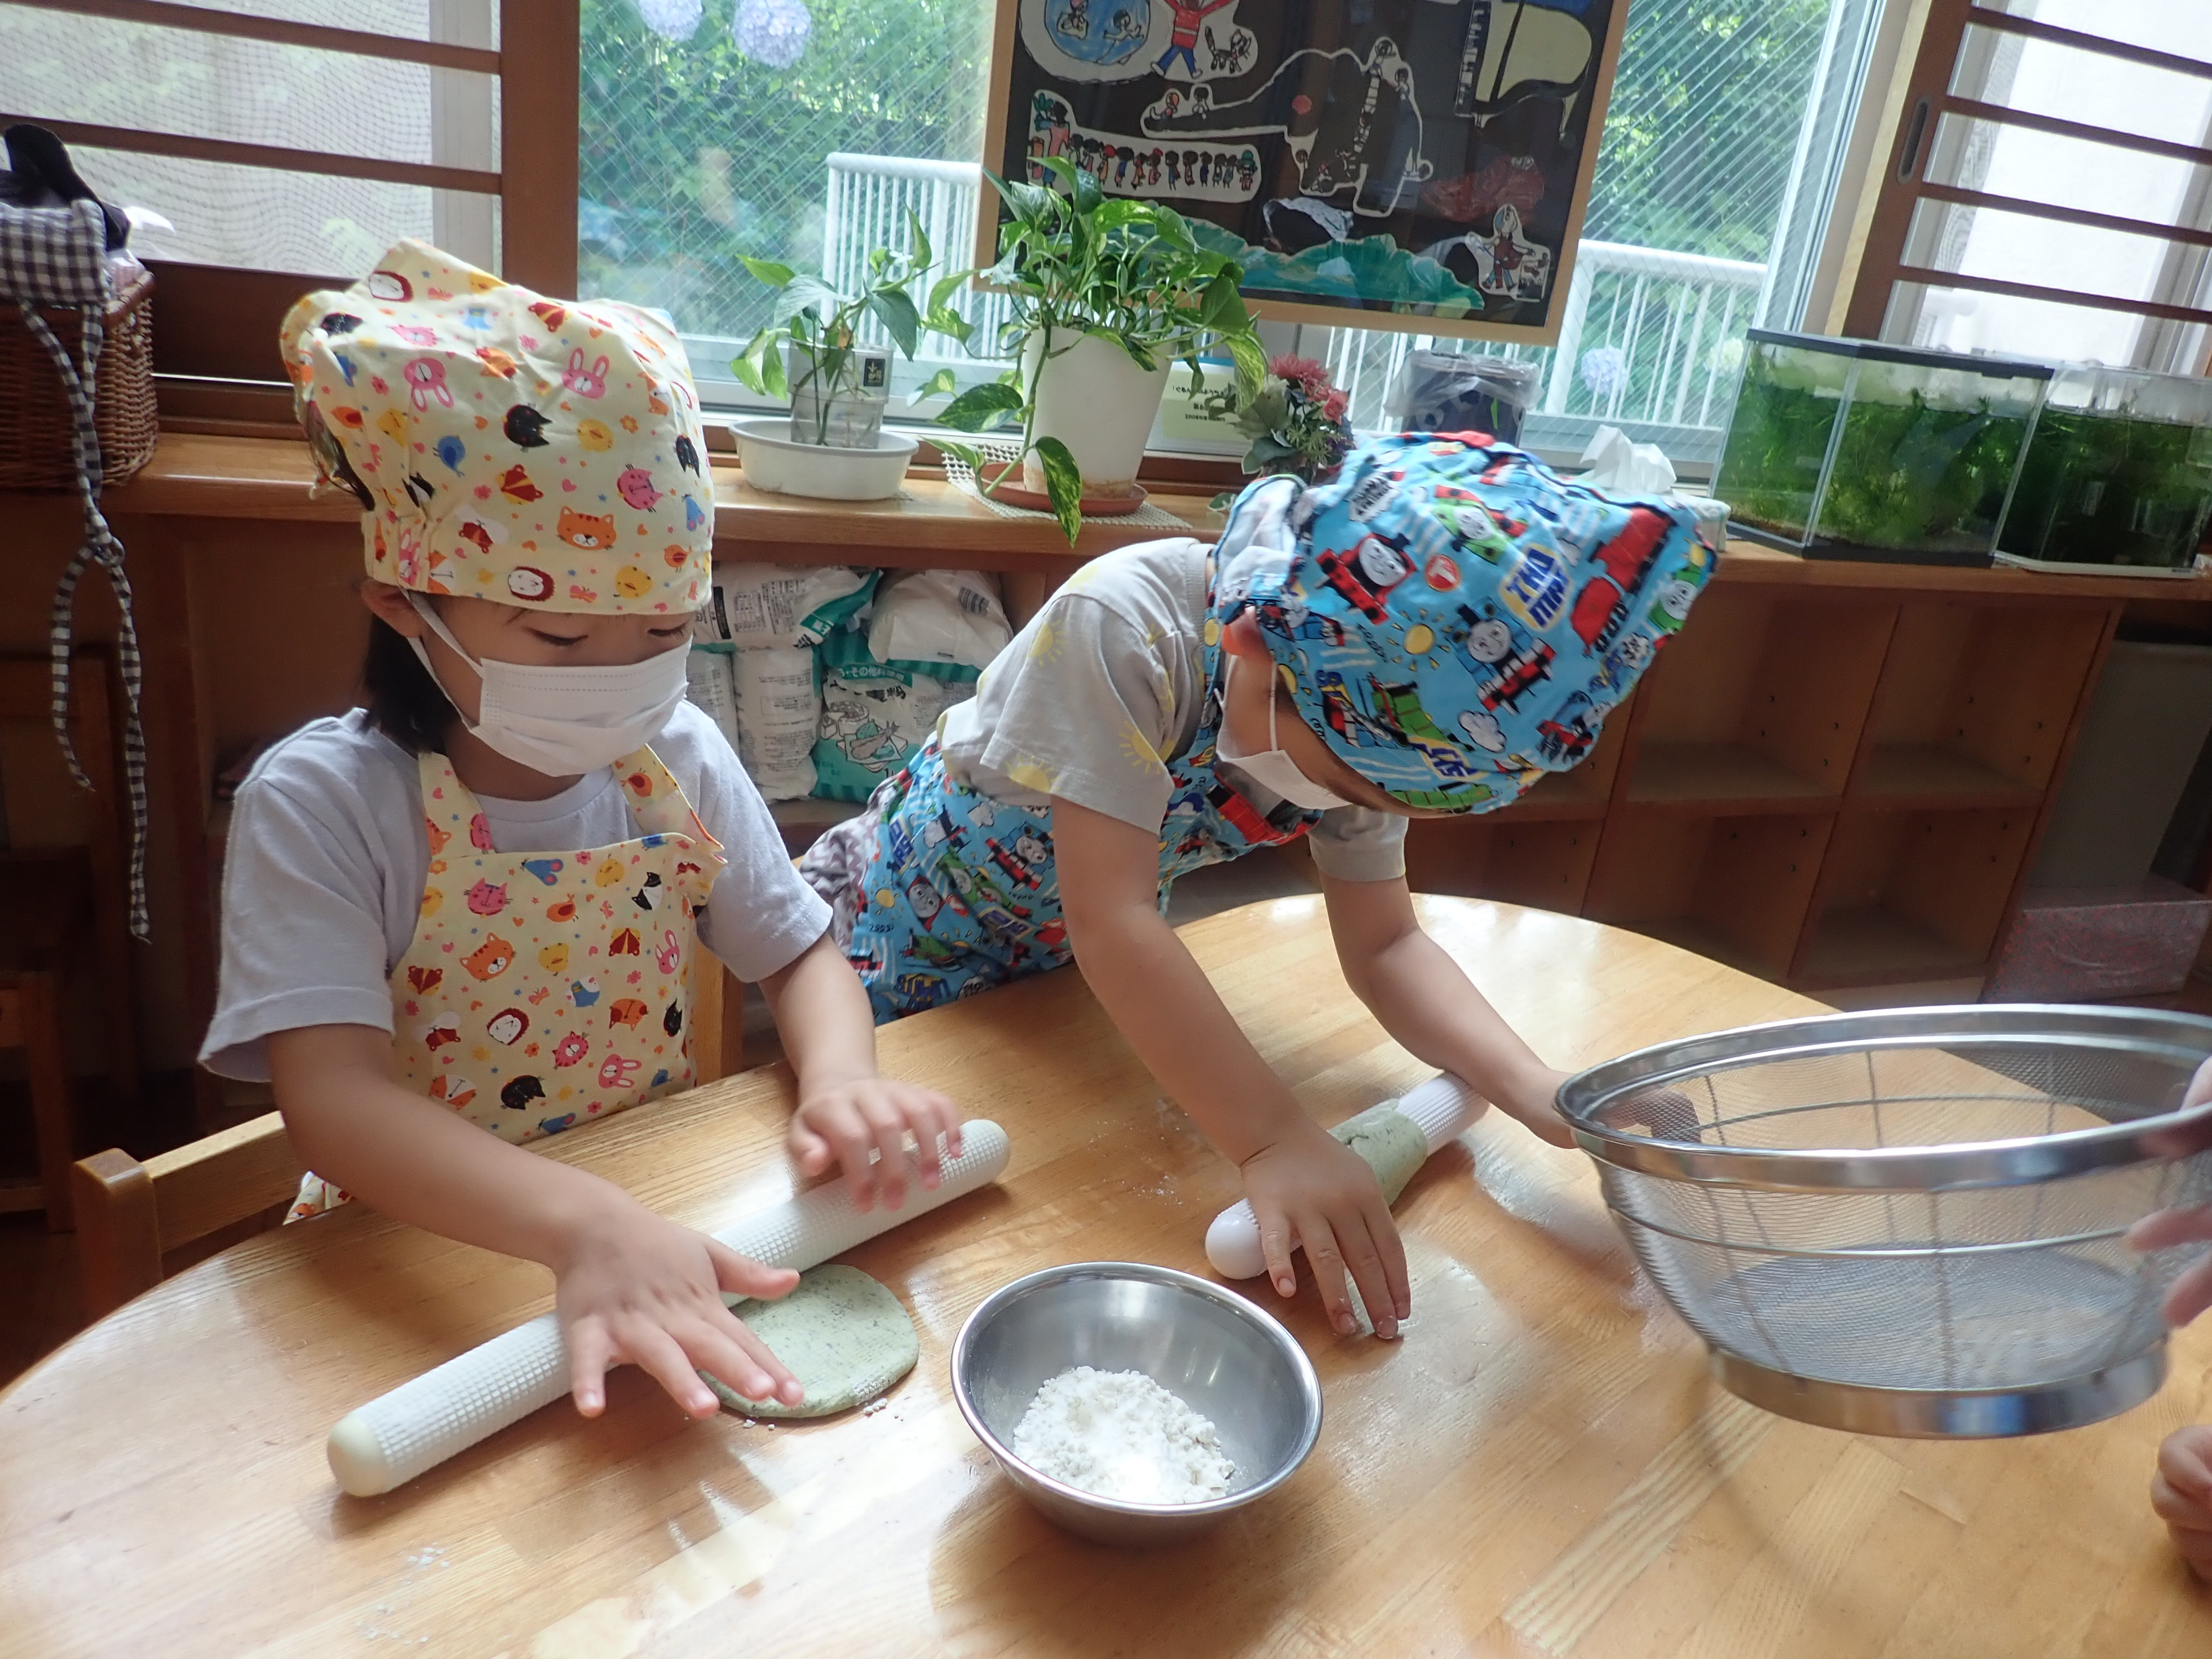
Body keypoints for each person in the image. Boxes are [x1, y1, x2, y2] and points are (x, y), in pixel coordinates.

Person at [201, 241, 959, 1424]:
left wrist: (840, 1080)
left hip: (648, 1212)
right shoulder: (324, 805)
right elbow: (335, 1104)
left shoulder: (680, 759)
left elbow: (800, 953)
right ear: (404, 605)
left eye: (661, 633)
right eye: (560, 640)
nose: (619, 675)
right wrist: (580, 1226)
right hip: (427, 1257)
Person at [802, 434, 1719, 1339]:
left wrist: (1537, 1090)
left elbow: (1387, 942)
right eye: (1346, 786)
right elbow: (1114, 918)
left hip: (1052, 984)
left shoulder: (1364, 700)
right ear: (1256, 644)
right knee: (890, 1230)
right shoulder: (1122, 628)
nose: (1350, 809)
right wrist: (1275, 1139)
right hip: (883, 945)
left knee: (1059, 1187)